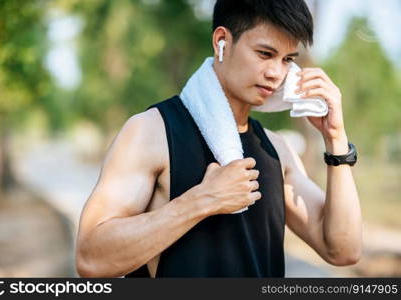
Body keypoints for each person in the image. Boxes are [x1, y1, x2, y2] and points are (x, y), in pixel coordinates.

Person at [75, 0, 362, 278]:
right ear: (222, 41)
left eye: (287, 59)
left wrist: (336, 139)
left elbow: (342, 250)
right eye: (264, 53)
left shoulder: (277, 149)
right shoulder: (151, 132)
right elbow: (91, 258)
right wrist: (201, 201)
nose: (276, 73)